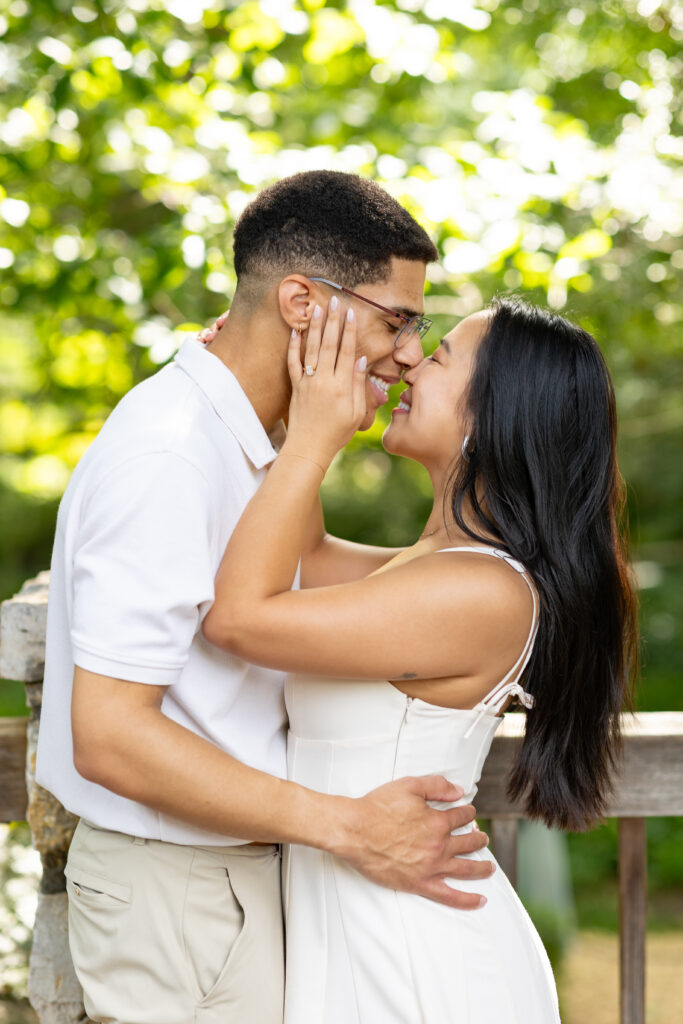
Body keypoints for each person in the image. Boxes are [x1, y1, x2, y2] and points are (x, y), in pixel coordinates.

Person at [35, 171, 493, 1024]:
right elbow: (107, 736)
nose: (404, 353)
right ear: (300, 303)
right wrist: (350, 827)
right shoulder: (169, 456)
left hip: (238, 879)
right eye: (396, 320)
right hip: (172, 890)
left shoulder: (249, 437)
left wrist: (489, 583)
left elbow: (311, 566)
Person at [202, 295, 639, 1022]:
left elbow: (241, 619)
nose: (406, 364)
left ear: (491, 415)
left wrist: (314, 435)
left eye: (435, 358)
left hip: (415, 958)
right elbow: (301, 558)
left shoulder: (479, 592)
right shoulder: (437, 567)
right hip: (365, 930)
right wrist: (277, 384)